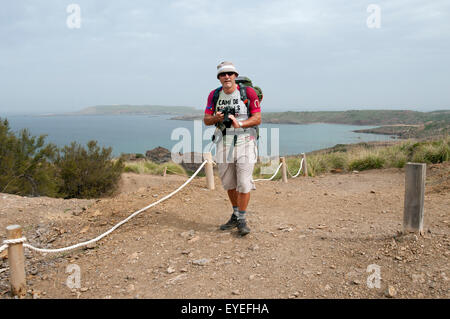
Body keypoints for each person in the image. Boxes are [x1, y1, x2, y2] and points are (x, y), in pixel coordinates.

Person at [203, 61, 261, 236]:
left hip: (245, 142)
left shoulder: (247, 92)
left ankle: (242, 219)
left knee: (244, 183)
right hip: (223, 143)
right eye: (222, 74)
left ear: (235, 75)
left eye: (230, 73)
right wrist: (216, 118)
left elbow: (257, 118)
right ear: (219, 78)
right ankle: (236, 214)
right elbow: (206, 120)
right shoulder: (214, 95)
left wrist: (240, 123)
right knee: (229, 183)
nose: (226, 76)